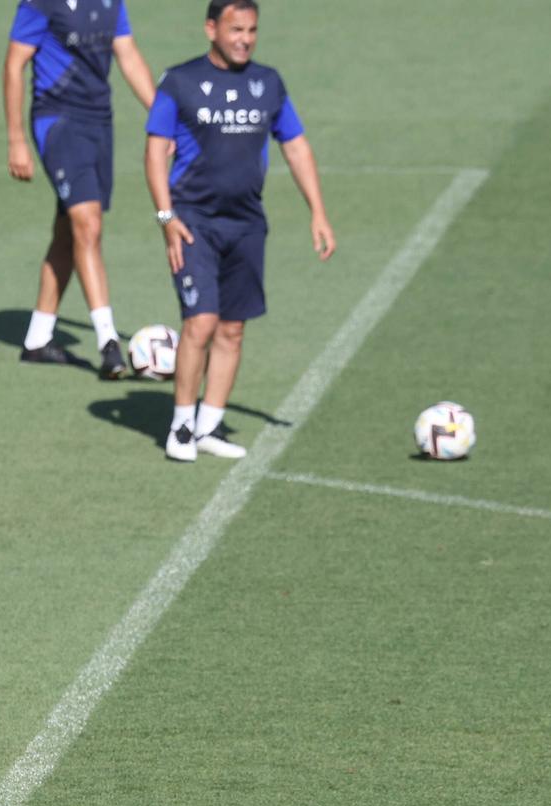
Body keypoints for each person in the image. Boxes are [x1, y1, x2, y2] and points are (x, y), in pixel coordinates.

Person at [145, 0, 333, 463]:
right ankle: (182, 427)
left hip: (247, 223)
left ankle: (209, 426)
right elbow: (153, 154)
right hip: (194, 222)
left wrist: (318, 212)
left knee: (232, 329)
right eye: (235, 29)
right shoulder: (179, 82)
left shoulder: (268, 83)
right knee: (201, 322)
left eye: (251, 30)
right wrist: (167, 219)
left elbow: (296, 146)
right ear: (211, 29)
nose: (245, 39)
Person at [5, 0, 158, 377]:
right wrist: (16, 140)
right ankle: (109, 343)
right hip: (57, 121)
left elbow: (128, 55)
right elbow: (14, 65)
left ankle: (37, 339)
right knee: (87, 224)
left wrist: (163, 119)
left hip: (98, 124)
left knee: (69, 230)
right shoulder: (40, 3)